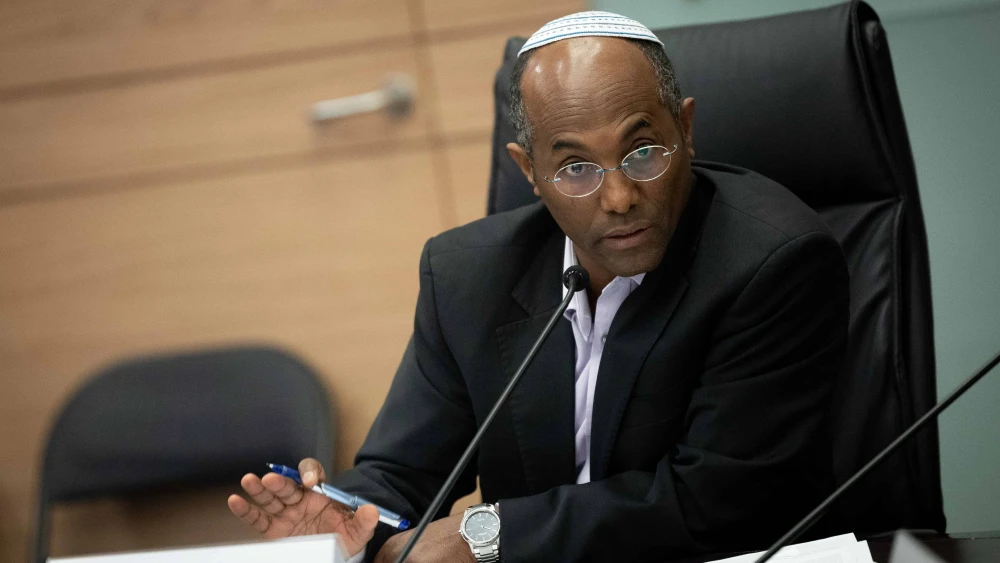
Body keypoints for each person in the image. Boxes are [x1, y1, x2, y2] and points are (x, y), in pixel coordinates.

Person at [227, 11, 849, 563]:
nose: (618, 197)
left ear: (685, 129)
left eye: (642, 152)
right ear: (530, 171)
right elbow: (401, 470)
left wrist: (492, 535)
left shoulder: (773, 263)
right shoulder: (467, 275)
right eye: (575, 166)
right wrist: (346, 521)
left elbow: (719, 503)